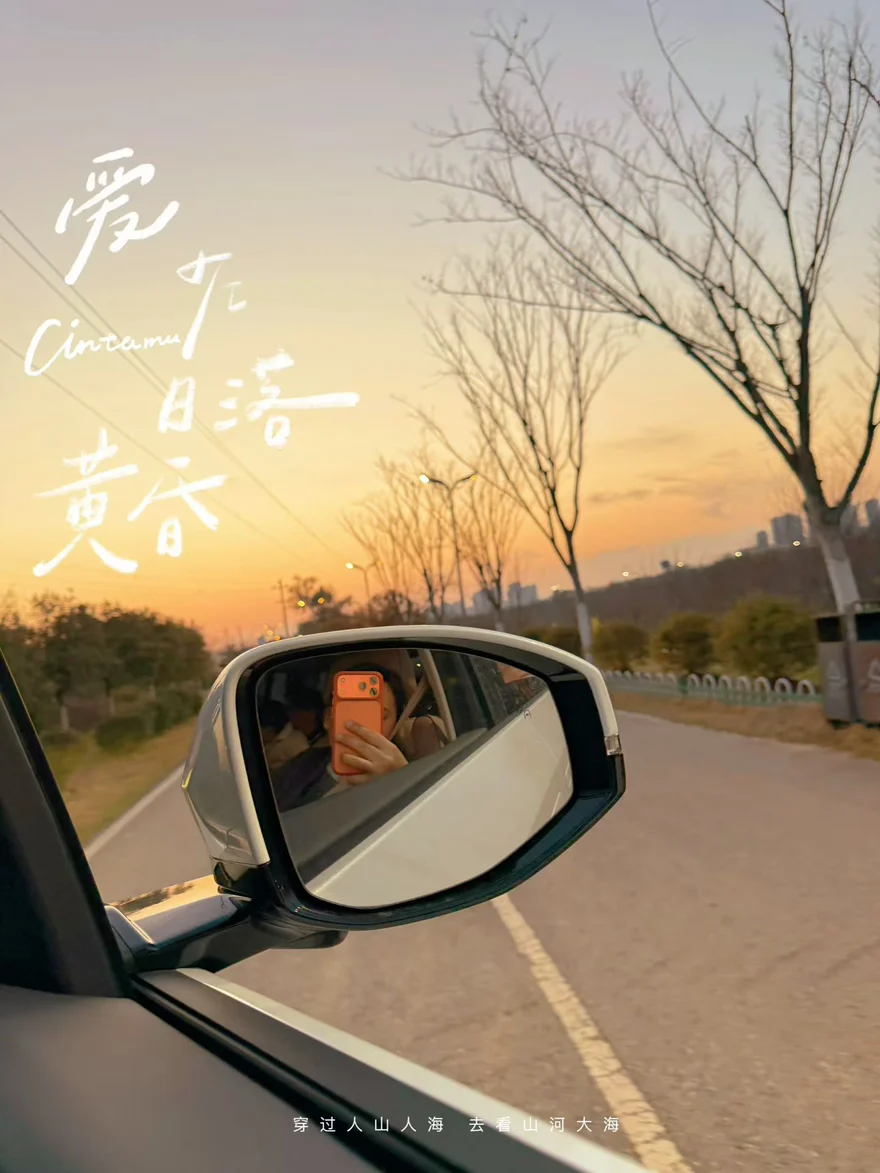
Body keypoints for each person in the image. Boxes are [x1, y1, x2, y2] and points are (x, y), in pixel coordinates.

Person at [272, 660, 446, 813]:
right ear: (328, 720)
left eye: (380, 716)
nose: (362, 726)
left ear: (396, 724)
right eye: (351, 713)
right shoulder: (302, 765)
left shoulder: (409, 774)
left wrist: (400, 783)